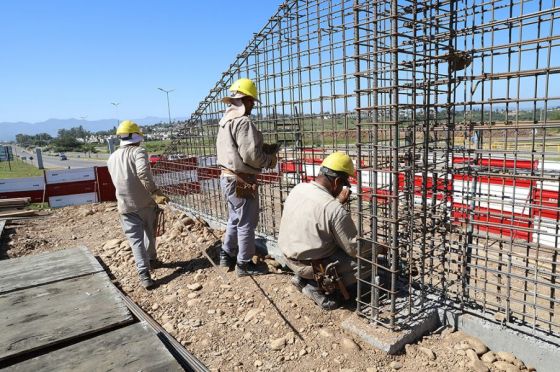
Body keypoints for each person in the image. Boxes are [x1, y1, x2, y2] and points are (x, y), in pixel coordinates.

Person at [278, 152, 357, 310]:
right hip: (312, 267)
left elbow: (317, 212)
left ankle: (302, 278)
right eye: (344, 185)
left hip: (287, 257)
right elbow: (354, 249)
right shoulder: (333, 209)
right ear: (336, 182)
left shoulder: (299, 188)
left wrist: (337, 202)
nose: (343, 189)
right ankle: (316, 286)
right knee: (366, 262)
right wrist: (379, 248)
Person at [216, 78, 278, 276]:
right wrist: (269, 160)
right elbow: (251, 156)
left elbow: (236, 150)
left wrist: (260, 147)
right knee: (247, 223)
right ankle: (244, 264)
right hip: (241, 179)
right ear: (247, 100)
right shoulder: (243, 122)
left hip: (228, 177)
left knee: (235, 217)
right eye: (252, 101)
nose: (253, 106)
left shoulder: (226, 121)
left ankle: (226, 254)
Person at [107, 120, 169, 289]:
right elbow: (142, 172)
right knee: (150, 233)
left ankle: (144, 274)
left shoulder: (112, 157)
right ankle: (151, 259)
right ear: (136, 136)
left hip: (125, 206)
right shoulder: (138, 151)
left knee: (136, 241)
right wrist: (155, 192)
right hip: (145, 203)